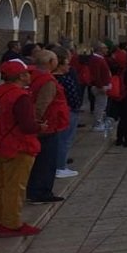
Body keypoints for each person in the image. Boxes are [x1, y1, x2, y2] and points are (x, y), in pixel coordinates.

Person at [0, 60, 45, 236]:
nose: (30, 76)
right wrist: (40, 127)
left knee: (0, 186)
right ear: (20, 76)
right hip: (18, 146)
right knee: (15, 187)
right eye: (27, 73)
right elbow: (27, 126)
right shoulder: (20, 96)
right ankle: (12, 224)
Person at [26, 50, 70, 204]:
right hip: (47, 126)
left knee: (40, 161)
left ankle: (35, 190)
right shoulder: (47, 80)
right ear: (51, 62)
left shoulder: (33, 77)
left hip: (44, 125)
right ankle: (41, 192)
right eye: (56, 59)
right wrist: (37, 124)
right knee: (46, 161)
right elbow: (42, 104)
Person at [53, 47, 81, 179]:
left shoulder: (51, 78)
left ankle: (58, 165)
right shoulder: (65, 79)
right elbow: (73, 96)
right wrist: (76, 107)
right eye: (67, 63)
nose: (69, 66)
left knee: (60, 140)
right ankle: (61, 167)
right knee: (65, 140)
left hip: (58, 112)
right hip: (68, 111)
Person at [87, 42, 112, 131]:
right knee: (100, 106)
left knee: (102, 105)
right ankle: (97, 124)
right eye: (105, 48)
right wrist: (100, 86)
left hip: (103, 85)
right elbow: (96, 74)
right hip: (100, 87)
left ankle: (100, 122)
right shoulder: (96, 59)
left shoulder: (100, 58)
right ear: (100, 49)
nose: (107, 50)